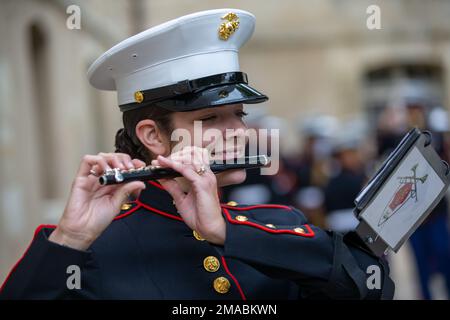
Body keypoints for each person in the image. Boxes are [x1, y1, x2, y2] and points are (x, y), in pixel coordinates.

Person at [0, 9, 394, 300]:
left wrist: (229, 233)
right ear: (153, 135)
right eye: (211, 117)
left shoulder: (275, 224)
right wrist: (70, 238)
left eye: (239, 115)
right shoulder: (94, 250)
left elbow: (370, 286)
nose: (239, 132)